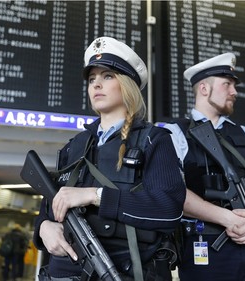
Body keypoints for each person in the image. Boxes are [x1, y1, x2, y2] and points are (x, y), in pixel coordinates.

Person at [32, 36, 186, 281]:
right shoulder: (74, 146)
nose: (96, 85)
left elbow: (169, 209)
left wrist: (96, 195)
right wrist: (43, 228)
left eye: (107, 77)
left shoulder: (153, 140)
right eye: (92, 79)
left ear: (127, 85)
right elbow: (48, 207)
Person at [163, 53, 245, 280]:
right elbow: (172, 191)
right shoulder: (174, 133)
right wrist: (227, 218)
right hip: (204, 248)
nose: (234, 92)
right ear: (203, 89)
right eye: (227, 84)